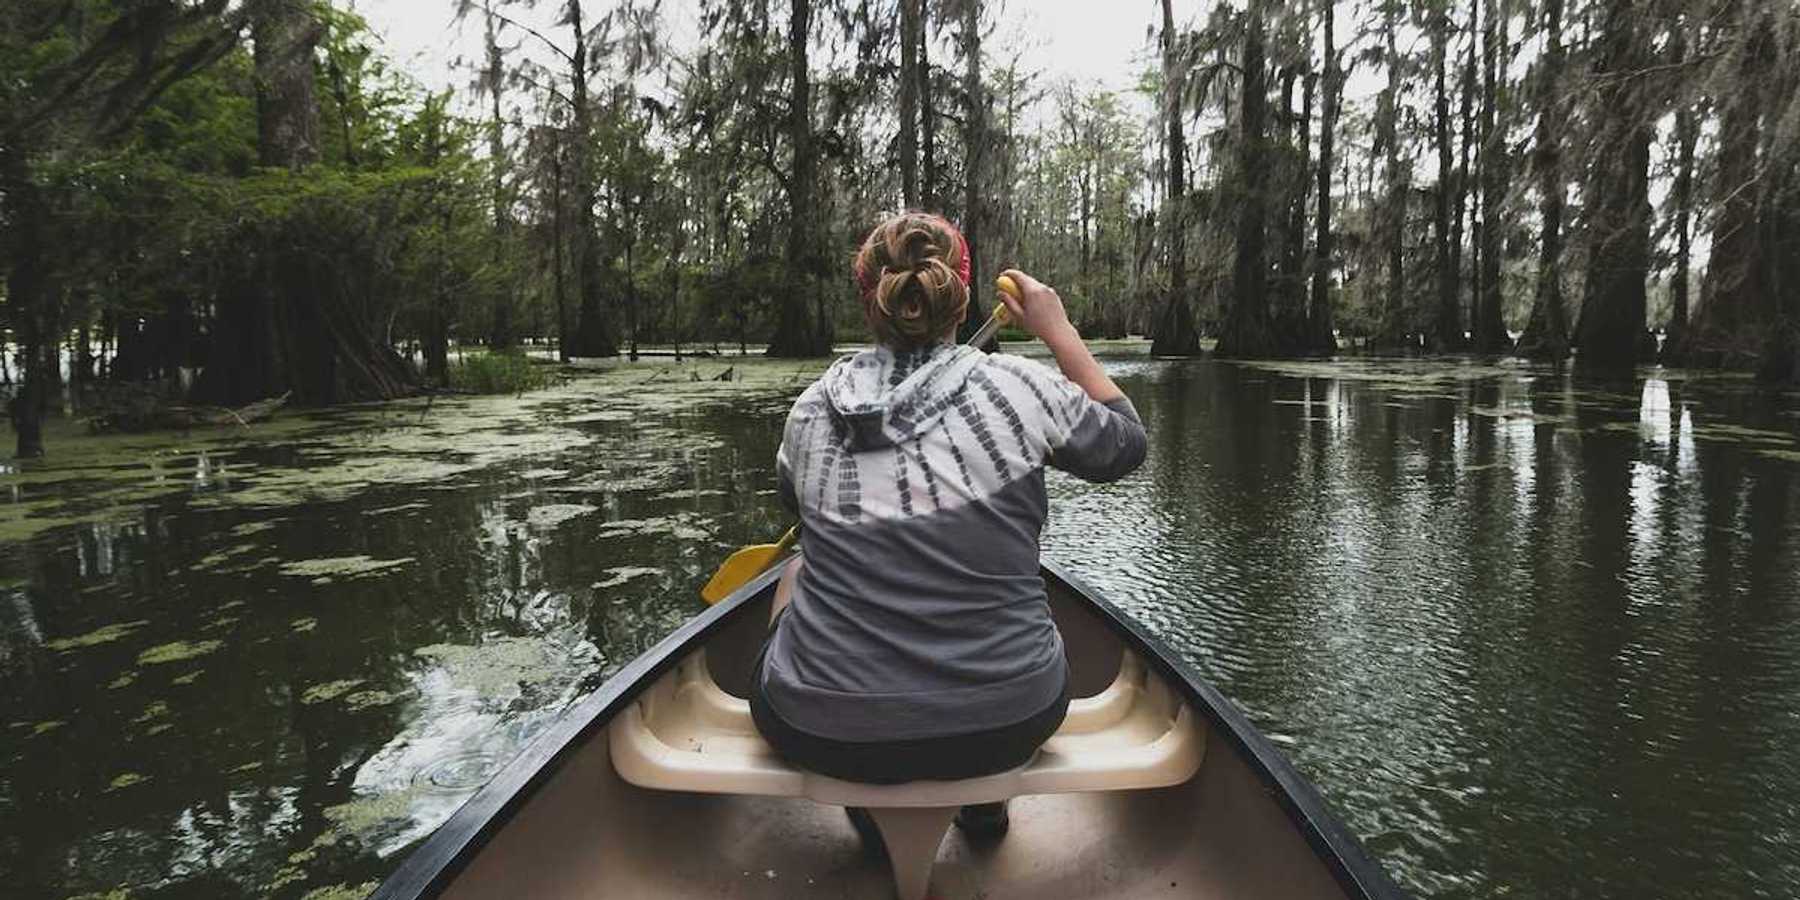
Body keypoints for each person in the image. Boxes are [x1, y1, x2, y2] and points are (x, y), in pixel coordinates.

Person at [747, 211, 1147, 841]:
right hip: (1012, 719)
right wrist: (1058, 330)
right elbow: (1125, 444)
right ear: (959, 299)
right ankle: (984, 805)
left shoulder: (809, 411)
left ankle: (871, 812)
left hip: (824, 729)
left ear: (870, 302)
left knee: (797, 568)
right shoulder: (1023, 387)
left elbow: (797, 510)